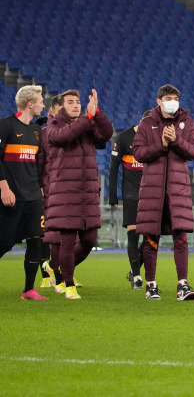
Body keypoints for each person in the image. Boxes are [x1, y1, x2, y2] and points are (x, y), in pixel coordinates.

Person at [132, 84, 194, 301]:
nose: (173, 101)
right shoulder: (147, 123)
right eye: (168, 98)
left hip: (177, 191)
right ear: (159, 101)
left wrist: (176, 140)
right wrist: (162, 144)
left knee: (180, 237)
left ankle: (183, 285)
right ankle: (151, 285)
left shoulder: (187, 122)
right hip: (153, 191)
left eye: (175, 98)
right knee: (151, 238)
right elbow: (138, 153)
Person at [47, 89, 114, 300]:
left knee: (89, 239)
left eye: (78, 102)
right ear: (61, 107)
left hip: (87, 193)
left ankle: (57, 270)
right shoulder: (54, 125)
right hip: (65, 191)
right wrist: (88, 117)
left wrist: (98, 113)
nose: (76, 105)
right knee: (67, 240)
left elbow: (107, 134)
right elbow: (63, 136)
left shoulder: (87, 124)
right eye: (70, 102)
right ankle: (68, 285)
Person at [0, 86, 48, 300]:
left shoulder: (36, 131)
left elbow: (35, 163)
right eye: (41, 101)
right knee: (5, 242)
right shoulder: (5, 125)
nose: (43, 105)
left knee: (36, 240)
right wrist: (3, 187)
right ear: (30, 103)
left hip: (33, 196)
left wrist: (39, 186)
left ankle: (29, 289)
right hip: (11, 195)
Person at [109, 111, 150, 289]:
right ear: (140, 121)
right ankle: (137, 278)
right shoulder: (124, 137)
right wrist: (113, 195)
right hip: (131, 194)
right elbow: (113, 168)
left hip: (151, 195)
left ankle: (134, 270)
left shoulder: (156, 139)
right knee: (133, 235)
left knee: (151, 239)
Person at [37, 94, 65, 291]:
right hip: (47, 192)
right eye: (60, 110)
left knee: (65, 237)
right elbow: (38, 165)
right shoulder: (43, 134)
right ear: (52, 112)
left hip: (64, 193)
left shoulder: (70, 134)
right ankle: (47, 276)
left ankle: (62, 275)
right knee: (46, 236)